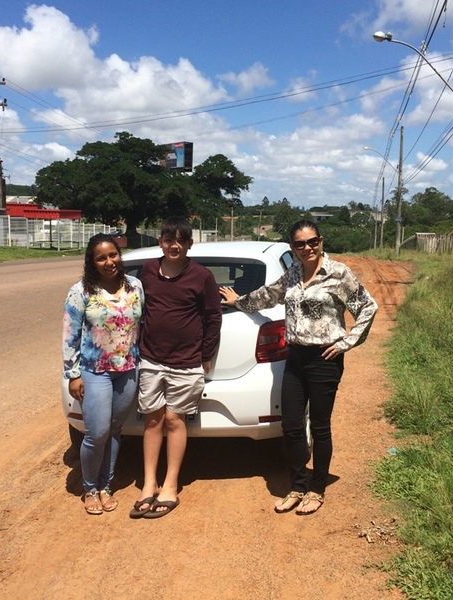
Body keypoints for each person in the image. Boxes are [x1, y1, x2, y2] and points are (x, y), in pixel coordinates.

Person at [219, 219, 378, 516]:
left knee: (319, 426)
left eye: (312, 242)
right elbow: (268, 295)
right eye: (300, 244)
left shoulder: (338, 273)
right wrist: (238, 301)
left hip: (324, 359)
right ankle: (298, 486)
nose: (308, 248)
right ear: (293, 247)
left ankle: (317, 489)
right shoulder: (292, 272)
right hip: (295, 358)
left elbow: (367, 307)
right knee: (291, 426)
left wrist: (348, 342)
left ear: (321, 240)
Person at [130, 217, 222, 519]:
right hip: (151, 359)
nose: (175, 245)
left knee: (174, 419)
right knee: (152, 421)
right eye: (169, 239)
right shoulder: (147, 271)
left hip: (185, 362)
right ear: (160, 242)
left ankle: (170, 486)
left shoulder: (202, 276)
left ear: (190, 244)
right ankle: (149, 484)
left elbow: (213, 317)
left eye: (181, 240)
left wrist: (205, 352)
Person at [63, 233, 144, 515]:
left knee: (114, 430)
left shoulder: (135, 286)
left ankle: (106, 485)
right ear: (92, 262)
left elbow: (142, 325)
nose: (109, 262)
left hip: (128, 370)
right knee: (96, 433)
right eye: (101, 257)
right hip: (95, 371)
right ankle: (89, 488)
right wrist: (72, 374)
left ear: (119, 256)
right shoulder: (81, 291)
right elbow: (69, 335)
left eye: (113, 255)